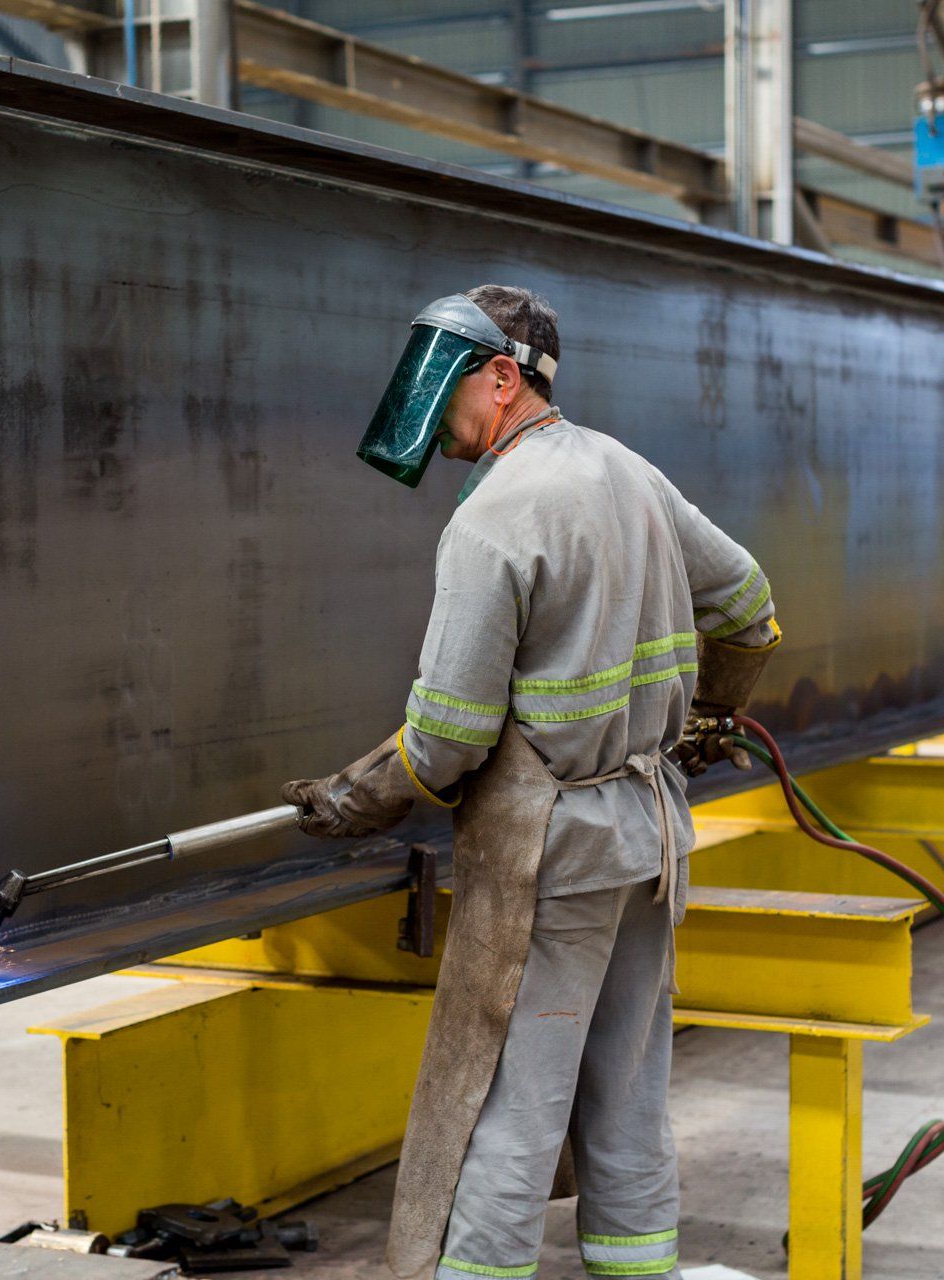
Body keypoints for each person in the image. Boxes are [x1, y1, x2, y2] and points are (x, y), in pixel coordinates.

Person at [282, 285, 781, 1280]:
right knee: (630, 1089)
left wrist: (364, 795)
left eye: (447, 384)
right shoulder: (629, 472)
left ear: (501, 378)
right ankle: (637, 1267)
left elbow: (450, 738)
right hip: (647, 838)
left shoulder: (492, 520)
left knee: (510, 1093)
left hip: (550, 856)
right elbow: (749, 602)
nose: (436, 416)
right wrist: (707, 720)